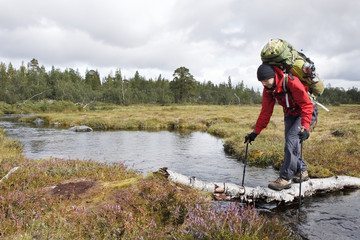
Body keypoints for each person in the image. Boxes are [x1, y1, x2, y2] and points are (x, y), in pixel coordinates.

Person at [245, 63, 318, 191]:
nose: (263, 83)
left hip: (305, 112)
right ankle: (302, 171)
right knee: (292, 144)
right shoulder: (269, 89)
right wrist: (255, 132)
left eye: (266, 80)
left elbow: (307, 105)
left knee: (291, 141)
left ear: (273, 76)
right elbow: (265, 112)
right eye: (261, 81)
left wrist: (305, 127)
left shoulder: (291, 82)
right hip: (290, 114)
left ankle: (285, 178)